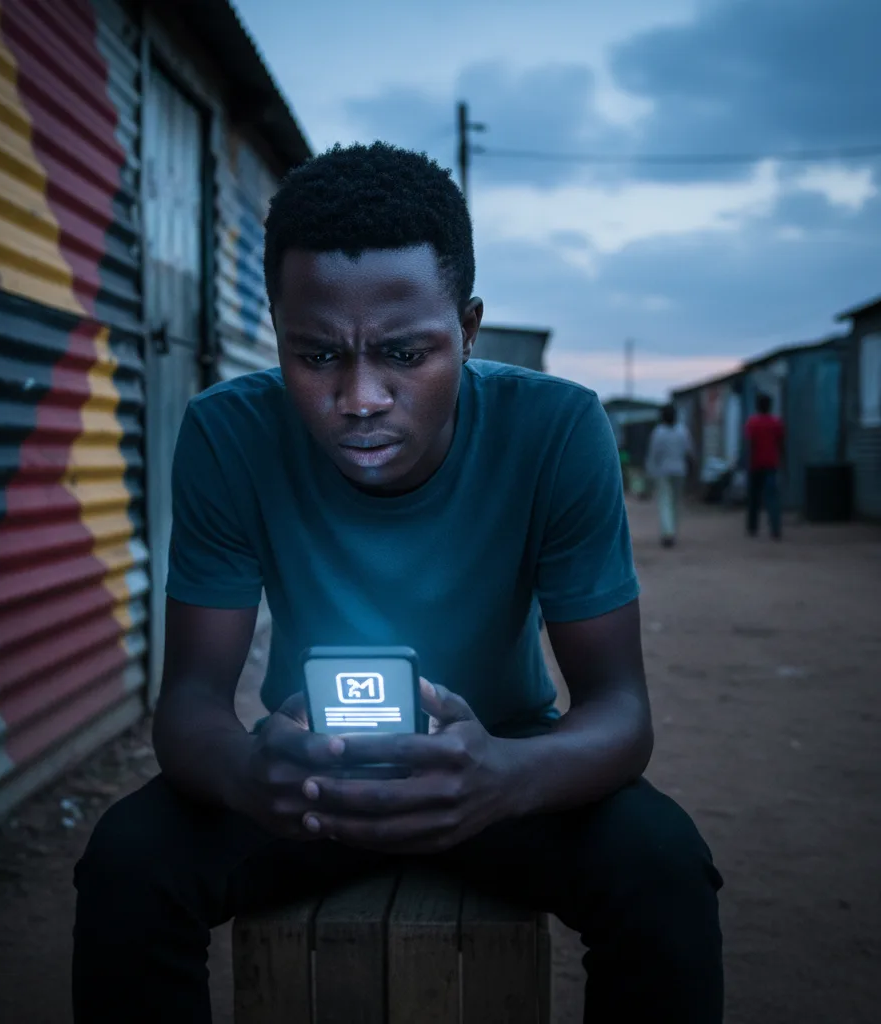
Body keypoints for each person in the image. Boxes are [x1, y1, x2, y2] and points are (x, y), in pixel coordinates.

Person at [71, 143, 723, 1024]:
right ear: (276, 332)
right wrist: (249, 771)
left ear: (470, 328)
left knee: (663, 865)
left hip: (499, 766)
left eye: (405, 354)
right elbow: (188, 703)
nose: (361, 396)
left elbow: (620, 713)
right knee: (129, 862)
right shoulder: (228, 434)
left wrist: (504, 775)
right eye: (317, 355)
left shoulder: (556, 429)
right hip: (310, 783)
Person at [644, 404, 694, 547]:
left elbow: (653, 455)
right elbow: (689, 452)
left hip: (663, 472)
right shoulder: (682, 431)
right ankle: (673, 531)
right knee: (676, 502)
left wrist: (650, 472)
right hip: (680, 471)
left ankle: (668, 532)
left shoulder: (658, 432)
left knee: (665, 502)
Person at [744, 393, 785, 539]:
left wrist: (748, 462)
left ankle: (752, 527)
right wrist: (781, 460)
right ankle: (775, 529)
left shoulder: (752, 423)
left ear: (757, 406)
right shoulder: (776, 423)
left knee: (754, 498)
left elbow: (751, 444)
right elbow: (781, 444)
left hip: (756, 464)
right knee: (772, 498)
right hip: (771, 464)